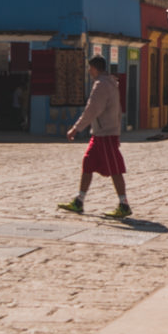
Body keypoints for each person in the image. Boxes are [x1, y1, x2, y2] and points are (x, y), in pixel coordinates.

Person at [59, 56, 132, 219]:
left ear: (94, 68)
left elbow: (92, 109)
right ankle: (79, 201)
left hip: (106, 133)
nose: (88, 71)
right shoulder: (110, 83)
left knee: (115, 169)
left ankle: (124, 204)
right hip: (100, 133)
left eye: (89, 68)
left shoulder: (101, 85)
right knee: (87, 164)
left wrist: (76, 128)